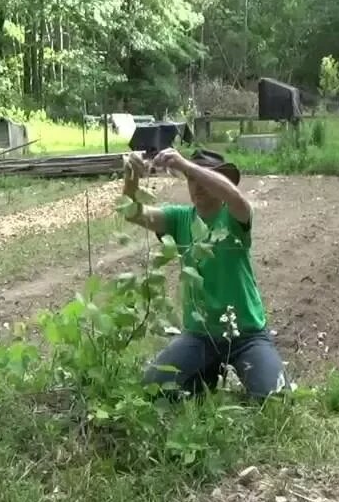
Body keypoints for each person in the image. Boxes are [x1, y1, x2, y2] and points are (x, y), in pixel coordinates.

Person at [122, 147, 286, 401]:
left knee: (273, 398)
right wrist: (131, 176)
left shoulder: (234, 217)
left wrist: (187, 166)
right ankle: (208, 372)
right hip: (200, 335)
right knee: (152, 387)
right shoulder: (179, 219)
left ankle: (217, 371)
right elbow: (132, 212)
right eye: (191, 181)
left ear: (220, 182)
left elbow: (235, 197)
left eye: (203, 178)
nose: (196, 186)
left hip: (246, 334)